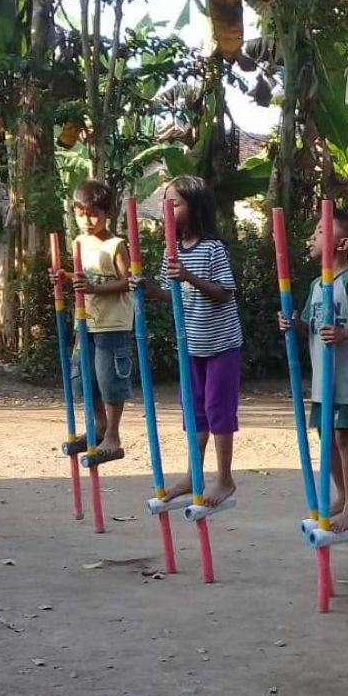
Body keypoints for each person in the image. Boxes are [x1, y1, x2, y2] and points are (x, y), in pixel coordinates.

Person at [277, 208, 348, 532]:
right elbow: (316, 329)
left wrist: (345, 334)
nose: (312, 237)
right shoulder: (317, 284)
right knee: (327, 438)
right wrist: (294, 324)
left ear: (341, 244)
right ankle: (342, 497)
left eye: (319, 232)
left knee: (343, 438)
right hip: (323, 379)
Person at [134, 177, 243, 507]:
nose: (167, 210)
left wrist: (189, 276)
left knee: (217, 410)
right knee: (194, 411)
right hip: (191, 344)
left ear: (195, 209)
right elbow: (174, 296)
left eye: (175, 204)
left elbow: (225, 291)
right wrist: (150, 289)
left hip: (222, 344)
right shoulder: (172, 251)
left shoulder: (212, 248)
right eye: (165, 204)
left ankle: (224, 478)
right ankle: (193, 472)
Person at [49, 179, 133, 457]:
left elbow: (126, 282)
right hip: (85, 321)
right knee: (82, 379)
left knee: (109, 380)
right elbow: (83, 279)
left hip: (113, 322)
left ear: (108, 212)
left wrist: (94, 288)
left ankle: (112, 435)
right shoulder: (79, 242)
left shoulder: (116, 246)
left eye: (93, 213)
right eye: (81, 214)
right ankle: (99, 426)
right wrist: (66, 276)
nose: (87, 220)